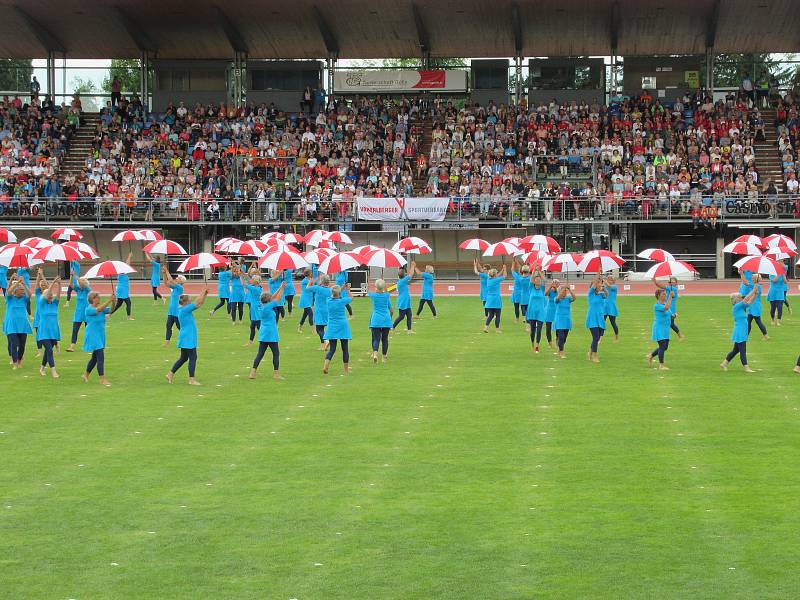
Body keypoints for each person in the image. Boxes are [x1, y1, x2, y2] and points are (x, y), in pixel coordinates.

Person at [166, 288, 209, 385]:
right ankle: (191, 379)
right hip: (188, 337)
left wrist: (205, 294)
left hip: (187, 336)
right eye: (190, 300)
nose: (191, 302)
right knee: (193, 357)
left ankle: (170, 374)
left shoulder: (183, 309)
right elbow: (197, 302)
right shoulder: (185, 309)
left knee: (184, 358)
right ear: (185, 302)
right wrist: (203, 291)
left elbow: (199, 303)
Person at [250, 283, 286, 380]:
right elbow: (277, 299)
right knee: (276, 353)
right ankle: (276, 374)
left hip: (263, 333)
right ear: (268, 300)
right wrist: (282, 288)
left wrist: (279, 287)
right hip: (271, 333)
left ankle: (253, 372)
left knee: (260, 353)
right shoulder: (268, 307)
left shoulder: (261, 305)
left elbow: (272, 297)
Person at [720, 286, 759, 373]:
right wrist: (753, 290)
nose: (741, 298)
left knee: (735, 350)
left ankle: (724, 364)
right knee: (742, 350)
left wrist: (755, 295)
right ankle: (746, 367)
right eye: (740, 297)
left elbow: (749, 302)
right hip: (740, 331)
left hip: (741, 330)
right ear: (736, 299)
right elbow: (746, 299)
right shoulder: (737, 306)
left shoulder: (741, 306)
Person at [82, 290, 115, 386]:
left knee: (94, 358)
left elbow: (111, 310)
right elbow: (98, 310)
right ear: (93, 299)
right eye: (98, 297)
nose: (99, 298)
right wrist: (109, 300)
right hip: (93, 335)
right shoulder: (88, 309)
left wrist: (113, 301)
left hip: (100, 335)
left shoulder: (101, 308)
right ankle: (102, 379)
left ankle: (85, 375)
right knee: (100, 356)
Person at [323, 285, 352, 375]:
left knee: (332, 348)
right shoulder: (342, 301)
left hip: (332, 326)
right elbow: (351, 297)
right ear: (339, 293)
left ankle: (326, 366)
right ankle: (346, 370)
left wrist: (340, 289)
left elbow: (333, 294)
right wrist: (347, 289)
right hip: (342, 325)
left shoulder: (328, 301)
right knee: (345, 349)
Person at [36, 276, 62, 378]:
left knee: (48, 351)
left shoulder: (54, 304)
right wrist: (53, 282)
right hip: (43, 331)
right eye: (49, 295)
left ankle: (42, 368)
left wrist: (59, 285)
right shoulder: (42, 303)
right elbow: (46, 293)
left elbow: (59, 295)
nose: (51, 296)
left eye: (51, 295)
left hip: (53, 331)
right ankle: (53, 371)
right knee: (50, 351)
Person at [4, 277, 32, 369]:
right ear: (16, 291)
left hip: (23, 325)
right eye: (21, 290)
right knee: (14, 344)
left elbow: (30, 294)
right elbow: (8, 291)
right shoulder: (10, 298)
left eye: (23, 290)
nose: (23, 291)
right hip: (12, 325)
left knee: (22, 345)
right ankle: (15, 363)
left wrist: (23, 284)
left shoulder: (24, 298)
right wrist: (16, 283)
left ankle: (20, 360)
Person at [648, 288, 674, 370]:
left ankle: (651, 355)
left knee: (665, 347)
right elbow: (666, 308)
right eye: (663, 294)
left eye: (665, 294)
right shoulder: (657, 305)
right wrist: (670, 297)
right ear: (658, 296)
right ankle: (661, 365)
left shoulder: (665, 304)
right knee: (662, 346)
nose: (665, 295)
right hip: (659, 329)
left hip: (665, 329)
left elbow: (670, 314)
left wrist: (674, 315)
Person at [369, 278, 394, 364]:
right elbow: (391, 310)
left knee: (376, 339)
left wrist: (368, 280)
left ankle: (375, 354)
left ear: (376, 287)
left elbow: (368, 290)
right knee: (385, 339)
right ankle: (383, 357)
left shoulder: (373, 296)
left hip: (376, 319)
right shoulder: (387, 295)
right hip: (386, 320)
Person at [585, 276, 608, 363]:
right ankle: (594, 355)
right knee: (595, 337)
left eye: (600, 283)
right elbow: (594, 284)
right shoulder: (591, 294)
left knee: (598, 337)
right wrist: (598, 274)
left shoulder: (601, 295)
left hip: (600, 318)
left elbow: (607, 295)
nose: (600, 285)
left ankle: (590, 352)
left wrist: (604, 288)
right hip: (592, 318)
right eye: (598, 283)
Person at [740, 272, 769, 340]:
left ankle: (766, 335)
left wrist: (741, 274)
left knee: (758, 321)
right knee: (748, 321)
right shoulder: (755, 285)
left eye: (753, 278)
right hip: (752, 306)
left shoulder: (756, 286)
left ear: (756, 279)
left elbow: (745, 283)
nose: (751, 279)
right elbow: (746, 283)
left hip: (755, 306)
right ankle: (746, 336)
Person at [66, 271, 90, 352]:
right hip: (78, 313)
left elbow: (82, 283)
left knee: (88, 330)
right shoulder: (78, 290)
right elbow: (71, 285)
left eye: (82, 281)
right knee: (75, 330)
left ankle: (89, 345)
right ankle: (72, 346)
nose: (80, 283)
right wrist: (71, 276)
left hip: (87, 312)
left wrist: (75, 275)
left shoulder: (87, 289)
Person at [308, 275, 333, 349]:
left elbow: (307, 289)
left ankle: (326, 340)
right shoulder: (330, 290)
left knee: (319, 329)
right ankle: (323, 345)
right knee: (322, 327)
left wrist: (310, 282)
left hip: (319, 310)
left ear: (321, 281)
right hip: (327, 310)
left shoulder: (317, 288)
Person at [163, 268, 186, 346]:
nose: (177, 278)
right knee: (168, 326)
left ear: (182, 281)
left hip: (177, 312)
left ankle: (186, 340)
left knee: (180, 327)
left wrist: (167, 271)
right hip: (171, 311)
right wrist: (164, 273)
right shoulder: (174, 288)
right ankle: (167, 343)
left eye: (179, 278)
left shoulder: (180, 288)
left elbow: (171, 281)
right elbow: (166, 283)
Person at [525, 268, 546, 353]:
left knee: (539, 329)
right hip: (532, 312)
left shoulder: (542, 288)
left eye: (539, 280)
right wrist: (534, 270)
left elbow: (544, 280)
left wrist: (539, 271)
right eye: (536, 280)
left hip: (540, 312)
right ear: (534, 281)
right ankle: (532, 343)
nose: (538, 281)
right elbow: (531, 278)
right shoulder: (531, 288)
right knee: (533, 330)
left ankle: (537, 345)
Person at [553, 283, 576, 358]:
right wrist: (563, 288)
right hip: (559, 320)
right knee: (561, 336)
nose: (565, 292)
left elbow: (574, 298)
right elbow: (557, 299)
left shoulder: (568, 299)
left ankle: (560, 348)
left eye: (565, 291)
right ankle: (562, 352)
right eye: (563, 291)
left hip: (566, 320)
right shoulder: (557, 298)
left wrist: (569, 289)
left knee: (564, 338)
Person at [392, 263, 415, 334]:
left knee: (409, 315)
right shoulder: (403, 281)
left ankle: (409, 330)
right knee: (401, 317)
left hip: (405, 301)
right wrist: (412, 266)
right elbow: (410, 275)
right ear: (403, 274)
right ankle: (392, 327)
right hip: (403, 301)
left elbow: (407, 278)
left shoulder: (401, 281)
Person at [483, 265, 507, 333]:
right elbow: (505, 276)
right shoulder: (497, 280)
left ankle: (486, 327)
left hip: (489, 300)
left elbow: (497, 275)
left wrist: (502, 269)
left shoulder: (488, 279)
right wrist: (505, 269)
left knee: (490, 315)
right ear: (495, 274)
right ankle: (497, 329)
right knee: (498, 315)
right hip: (496, 299)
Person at [242, 270, 263, 346]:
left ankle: (265, 341)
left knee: (258, 326)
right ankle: (250, 342)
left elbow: (244, 284)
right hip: (254, 309)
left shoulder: (255, 289)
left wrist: (240, 276)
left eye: (253, 280)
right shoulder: (257, 286)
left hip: (257, 309)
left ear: (256, 281)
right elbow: (248, 280)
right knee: (252, 326)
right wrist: (243, 273)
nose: (251, 281)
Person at [113, 252, 134, 320]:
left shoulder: (121, 272)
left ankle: (108, 314)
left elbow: (127, 264)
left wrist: (129, 257)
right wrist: (129, 256)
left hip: (121, 289)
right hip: (123, 290)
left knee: (118, 305)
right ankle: (129, 317)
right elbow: (128, 264)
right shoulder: (122, 272)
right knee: (128, 303)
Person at [543, 280, 559, 347]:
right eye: (554, 283)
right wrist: (550, 286)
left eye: (557, 283)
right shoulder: (550, 291)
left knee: (558, 328)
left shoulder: (559, 291)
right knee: (548, 327)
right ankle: (550, 342)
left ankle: (557, 342)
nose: (555, 284)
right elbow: (545, 294)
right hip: (549, 310)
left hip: (556, 310)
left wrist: (557, 289)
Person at [604, 275, 620, 340]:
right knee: (602, 322)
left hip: (611, 307)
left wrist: (604, 281)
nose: (608, 280)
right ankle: (600, 336)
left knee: (613, 322)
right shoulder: (605, 286)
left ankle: (616, 336)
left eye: (610, 279)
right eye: (608, 279)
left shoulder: (614, 287)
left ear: (613, 281)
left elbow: (609, 286)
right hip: (604, 306)